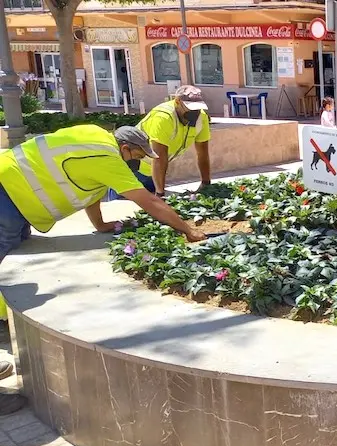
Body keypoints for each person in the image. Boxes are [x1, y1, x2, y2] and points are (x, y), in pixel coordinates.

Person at [0, 124, 207, 415]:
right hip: (7, 196)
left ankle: (2, 322)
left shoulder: (95, 135)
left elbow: (91, 189)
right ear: (125, 149)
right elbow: (148, 200)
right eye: (136, 155)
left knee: (12, 254)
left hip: (12, 190)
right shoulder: (109, 158)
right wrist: (187, 230)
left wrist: (99, 225)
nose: (136, 161)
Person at [115, 85, 212, 199]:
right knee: (123, 204)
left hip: (153, 174)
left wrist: (206, 184)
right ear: (177, 102)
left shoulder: (201, 118)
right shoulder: (164, 117)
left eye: (198, 108)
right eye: (190, 107)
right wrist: (160, 194)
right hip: (132, 169)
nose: (195, 112)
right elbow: (159, 157)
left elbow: (203, 153)